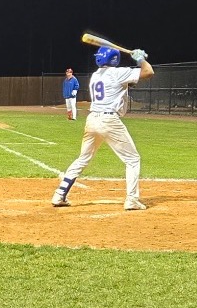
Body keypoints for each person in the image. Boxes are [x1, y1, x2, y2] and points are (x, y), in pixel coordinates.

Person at [51, 41, 153, 210]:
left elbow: (130, 81)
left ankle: (59, 195)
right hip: (109, 120)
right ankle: (132, 199)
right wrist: (140, 59)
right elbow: (148, 72)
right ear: (115, 60)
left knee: (83, 158)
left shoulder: (96, 76)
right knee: (133, 159)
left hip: (92, 120)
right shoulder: (117, 73)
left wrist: (139, 60)